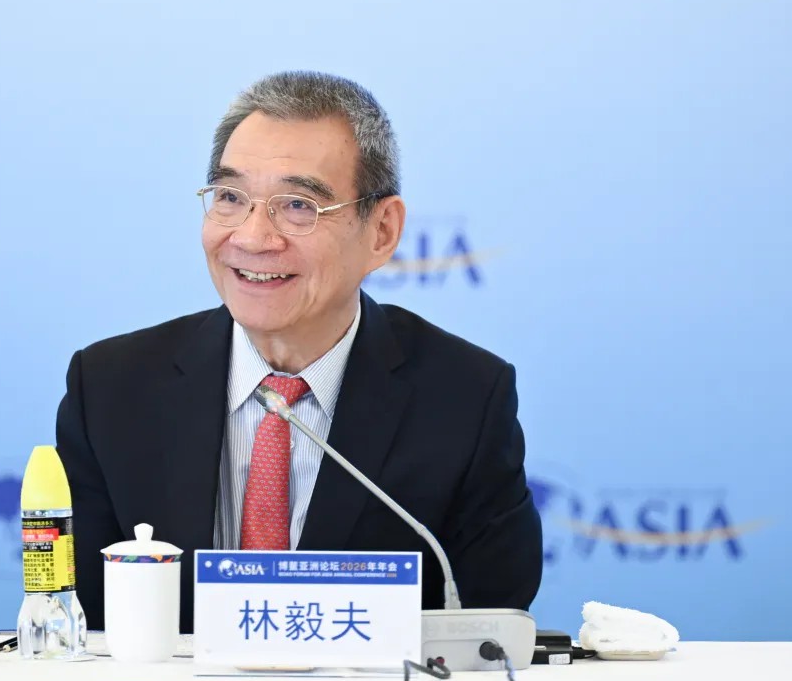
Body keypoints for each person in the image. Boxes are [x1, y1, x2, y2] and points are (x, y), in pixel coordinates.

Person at [55, 71, 542, 633]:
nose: (252, 237)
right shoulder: (112, 389)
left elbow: (487, 626)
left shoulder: (464, 399)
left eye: (298, 205)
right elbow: (83, 622)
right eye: (230, 198)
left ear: (382, 231)